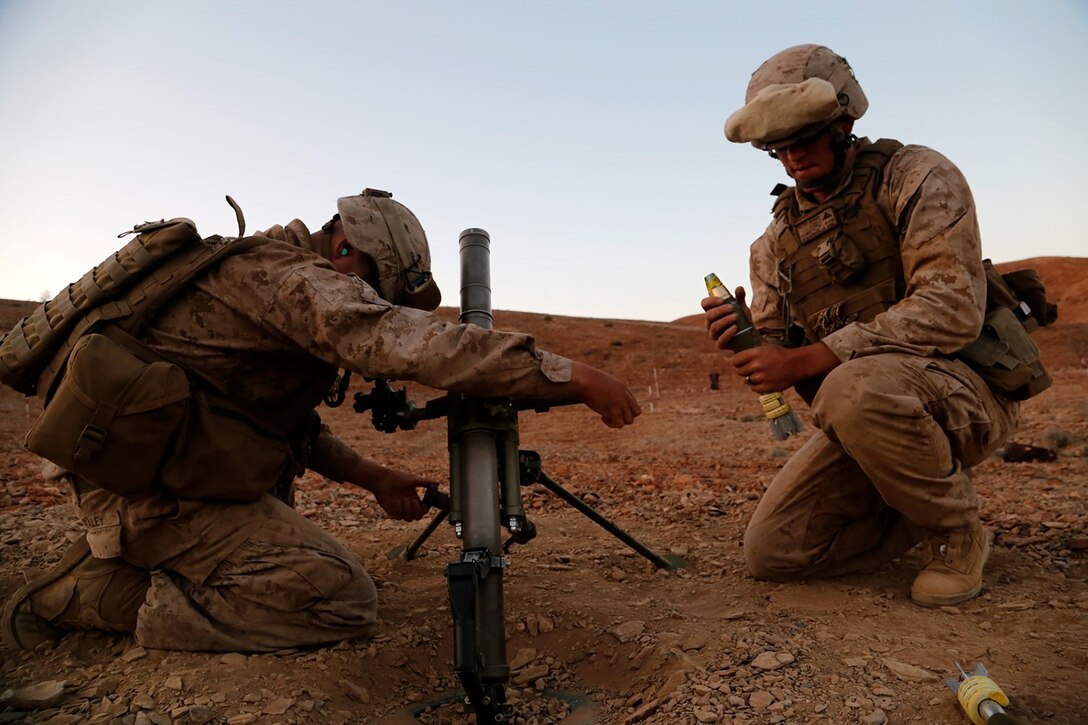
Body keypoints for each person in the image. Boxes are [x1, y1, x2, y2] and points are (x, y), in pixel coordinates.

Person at [2, 188, 641, 652]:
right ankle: (85, 595)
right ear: (346, 247)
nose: (370, 300)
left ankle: (137, 560)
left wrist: (370, 476)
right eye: (373, 286)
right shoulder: (287, 279)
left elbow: (264, 419)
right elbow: (406, 341)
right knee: (338, 599)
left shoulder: (267, 278)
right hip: (146, 496)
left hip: (166, 475)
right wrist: (572, 375)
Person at [702, 44, 1019, 607]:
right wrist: (752, 340)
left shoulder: (916, 175)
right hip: (866, 414)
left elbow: (951, 309)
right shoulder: (774, 243)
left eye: (804, 138)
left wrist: (812, 358)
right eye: (777, 149)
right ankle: (917, 499)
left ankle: (958, 533)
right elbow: (780, 349)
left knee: (853, 386)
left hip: (965, 394)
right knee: (774, 553)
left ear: (844, 122)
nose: (792, 158)